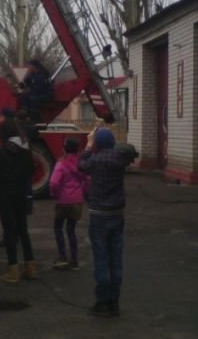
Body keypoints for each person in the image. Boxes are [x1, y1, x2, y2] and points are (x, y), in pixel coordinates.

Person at [78, 128, 132, 318]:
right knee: (115, 258)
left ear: (98, 144)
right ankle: (114, 302)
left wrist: (88, 144)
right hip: (117, 214)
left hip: (99, 214)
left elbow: (81, 165)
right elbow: (129, 153)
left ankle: (102, 302)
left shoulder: (95, 159)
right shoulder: (120, 159)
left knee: (101, 258)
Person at [0, 119, 36, 283]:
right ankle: (31, 267)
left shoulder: (1, 150)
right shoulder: (26, 147)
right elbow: (31, 169)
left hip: (5, 194)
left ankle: (13, 270)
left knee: (9, 231)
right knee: (23, 230)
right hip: (21, 193)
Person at [49, 137, 90, 271]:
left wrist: (55, 194)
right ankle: (74, 261)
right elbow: (88, 180)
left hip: (63, 201)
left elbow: (54, 183)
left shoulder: (61, 163)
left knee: (58, 227)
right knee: (71, 230)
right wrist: (82, 193)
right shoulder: (81, 163)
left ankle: (62, 257)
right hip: (77, 202)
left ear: (65, 148)